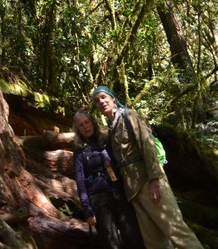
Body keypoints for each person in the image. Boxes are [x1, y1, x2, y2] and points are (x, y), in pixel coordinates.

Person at [92, 86, 204, 249]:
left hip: (149, 181)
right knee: (153, 241)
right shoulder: (111, 128)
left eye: (103, 97)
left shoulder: (130, 116)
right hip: (133, 190)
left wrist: (154, 179)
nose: (101, 102)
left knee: (176, 231)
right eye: (97, 100)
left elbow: (148, 146)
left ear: (113, 99)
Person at [72, 109, 145, 249]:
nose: (85, 126)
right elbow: (80, 181)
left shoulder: (107, 142)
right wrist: (87, 209)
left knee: (133, 236)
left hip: (119, 193)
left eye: (87, 122)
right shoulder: (79, 151)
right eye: (81, 125)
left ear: (93, 123)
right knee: (110, 242)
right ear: (77, 129)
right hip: (98, 198)